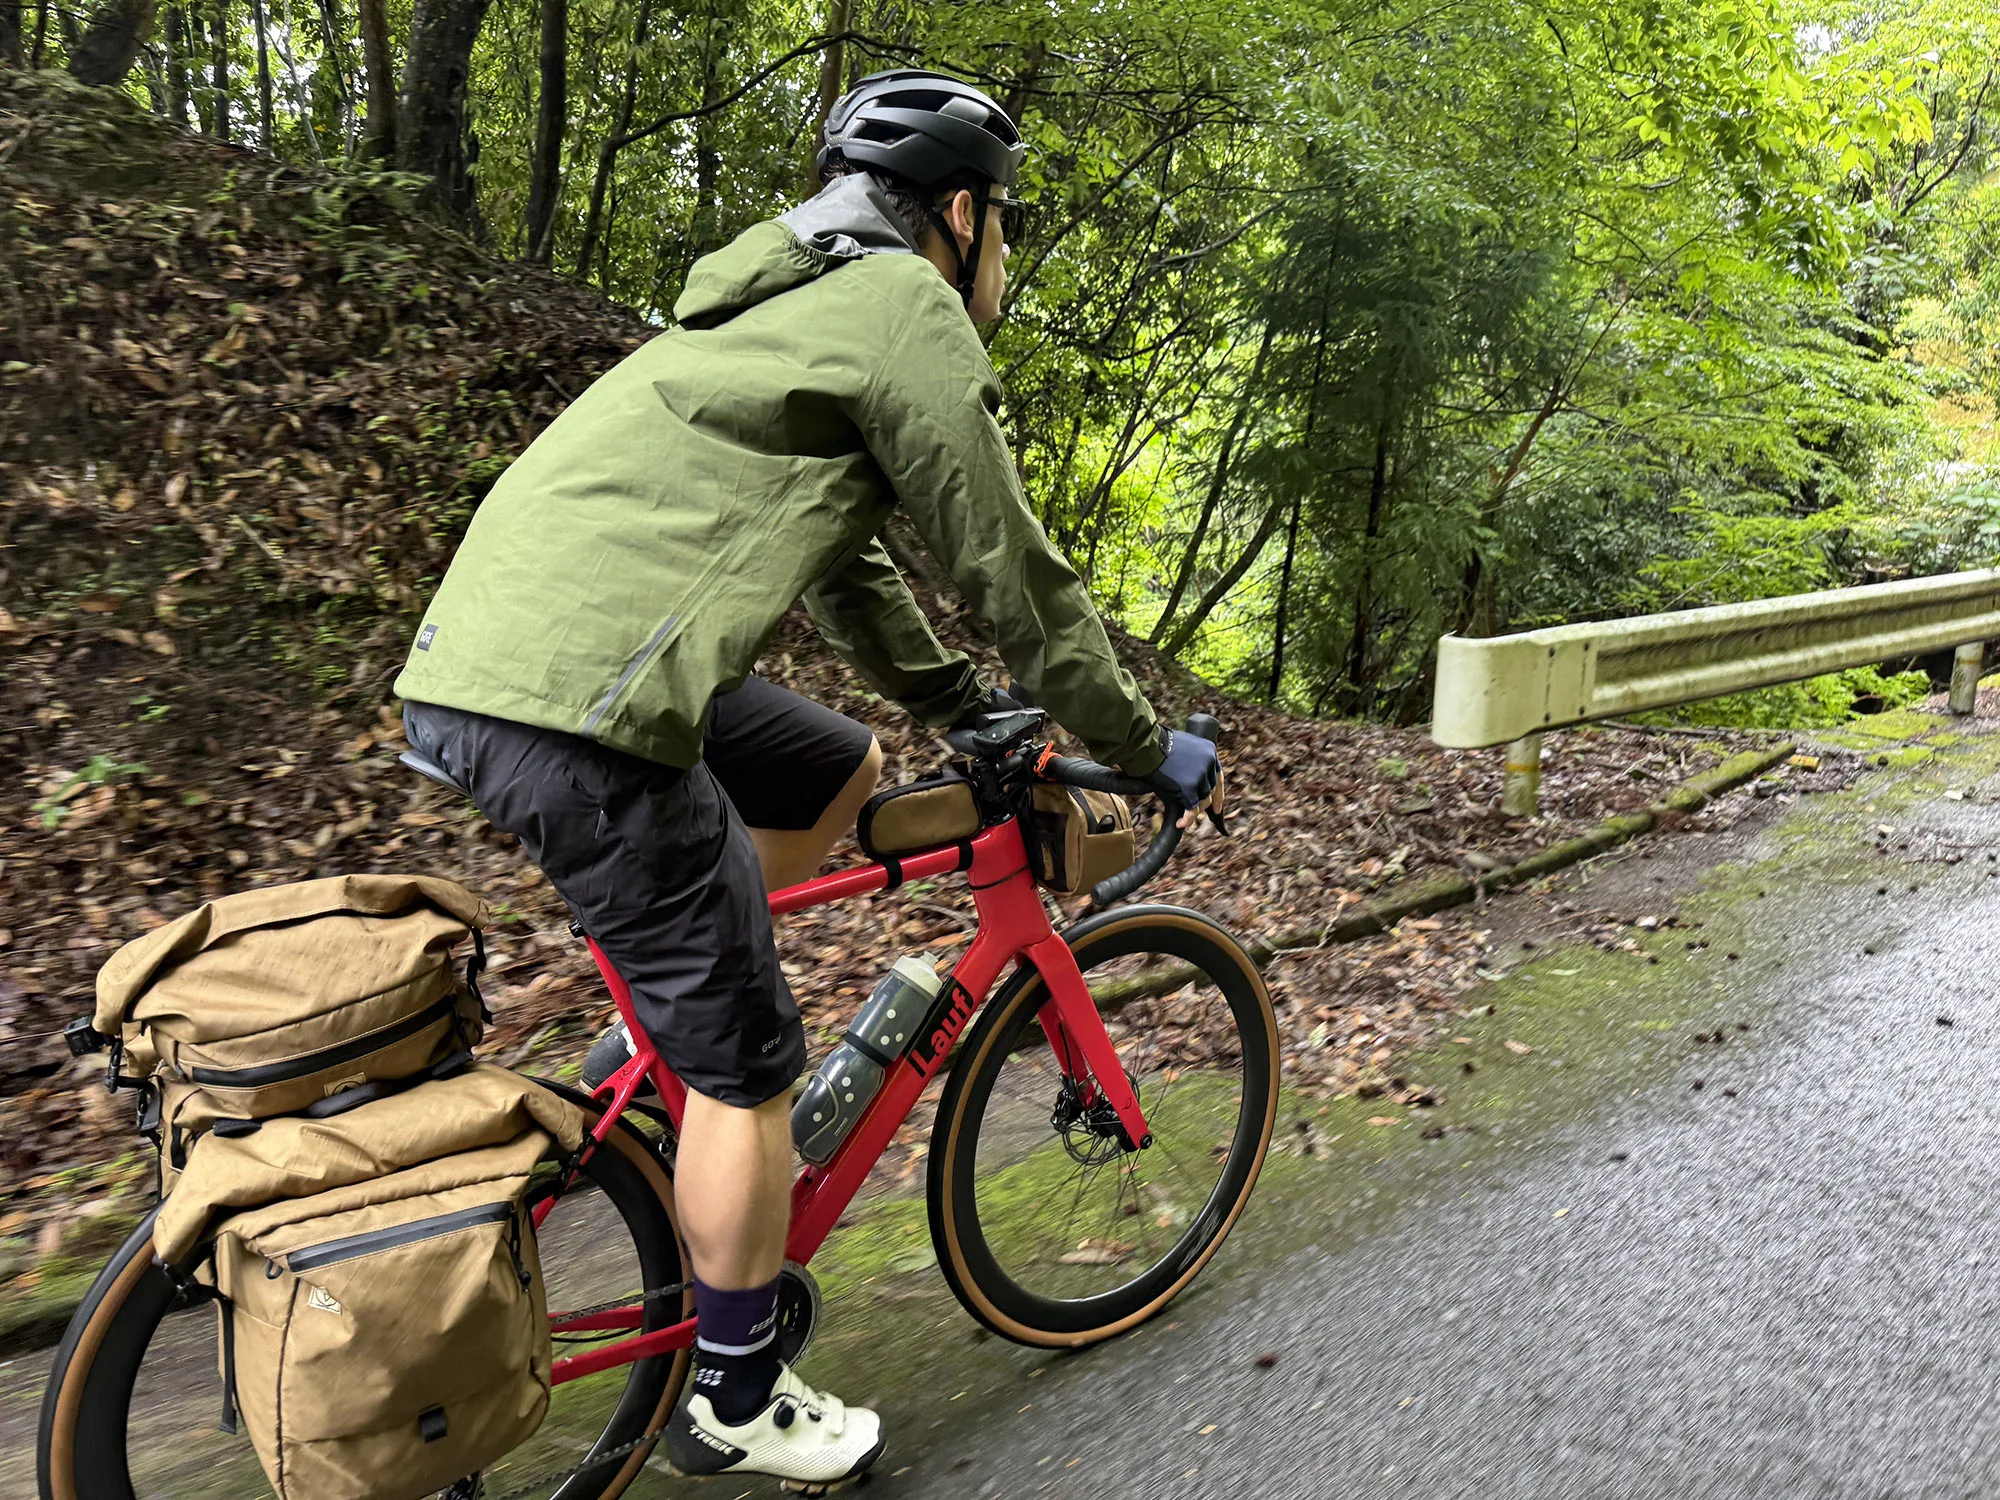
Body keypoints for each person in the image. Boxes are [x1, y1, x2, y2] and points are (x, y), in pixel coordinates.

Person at [393, 68, 1221, 1490]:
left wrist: (962, 708)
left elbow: (840, 561)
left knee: (829, 760)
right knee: (751, 1057)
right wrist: (1141, 746)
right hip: (583, 707)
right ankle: (736, 1385)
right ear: (960, 217)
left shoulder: (784, 303)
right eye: (1004, 230)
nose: (1003, 259)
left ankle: (666, 1061)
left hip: (493, 668)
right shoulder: (903, 309)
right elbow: (1010, 568)